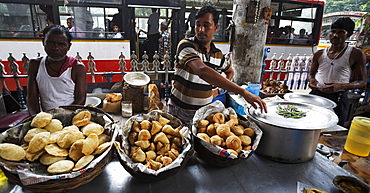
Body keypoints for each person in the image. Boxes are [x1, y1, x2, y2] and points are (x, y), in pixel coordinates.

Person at [169, 6, 267, 126]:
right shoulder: (186, 45)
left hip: (202, 113)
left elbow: (230, 72)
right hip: (179, 111)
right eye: (197, 25)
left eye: (206, 25)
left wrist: (218, 91)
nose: (200, 29)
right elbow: (202, 71)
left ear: (216, 27)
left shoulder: (218, 55)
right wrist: (242, 92)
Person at [308, 17, 367, 126]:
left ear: (348, 34)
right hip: (316, 95)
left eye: (341, 32)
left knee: (334, 128)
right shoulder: (319, 53)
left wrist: (341, 86)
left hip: (338, 97)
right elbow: (311, 74)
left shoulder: (355, 54)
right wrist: (312, 81)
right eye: (333, 32)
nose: (335, 35)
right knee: (311, 123)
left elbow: (362, 81)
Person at [27, 25, 87, 115]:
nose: (55, 48)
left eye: (61, 44)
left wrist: (64, 117)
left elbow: (80, 99)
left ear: (69, 46)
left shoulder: (77, 68)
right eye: (51, 43)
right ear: (43, 42)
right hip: (46, 118)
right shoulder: (35, 64)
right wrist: (36, 118)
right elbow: (32, 97)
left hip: (70, 116)